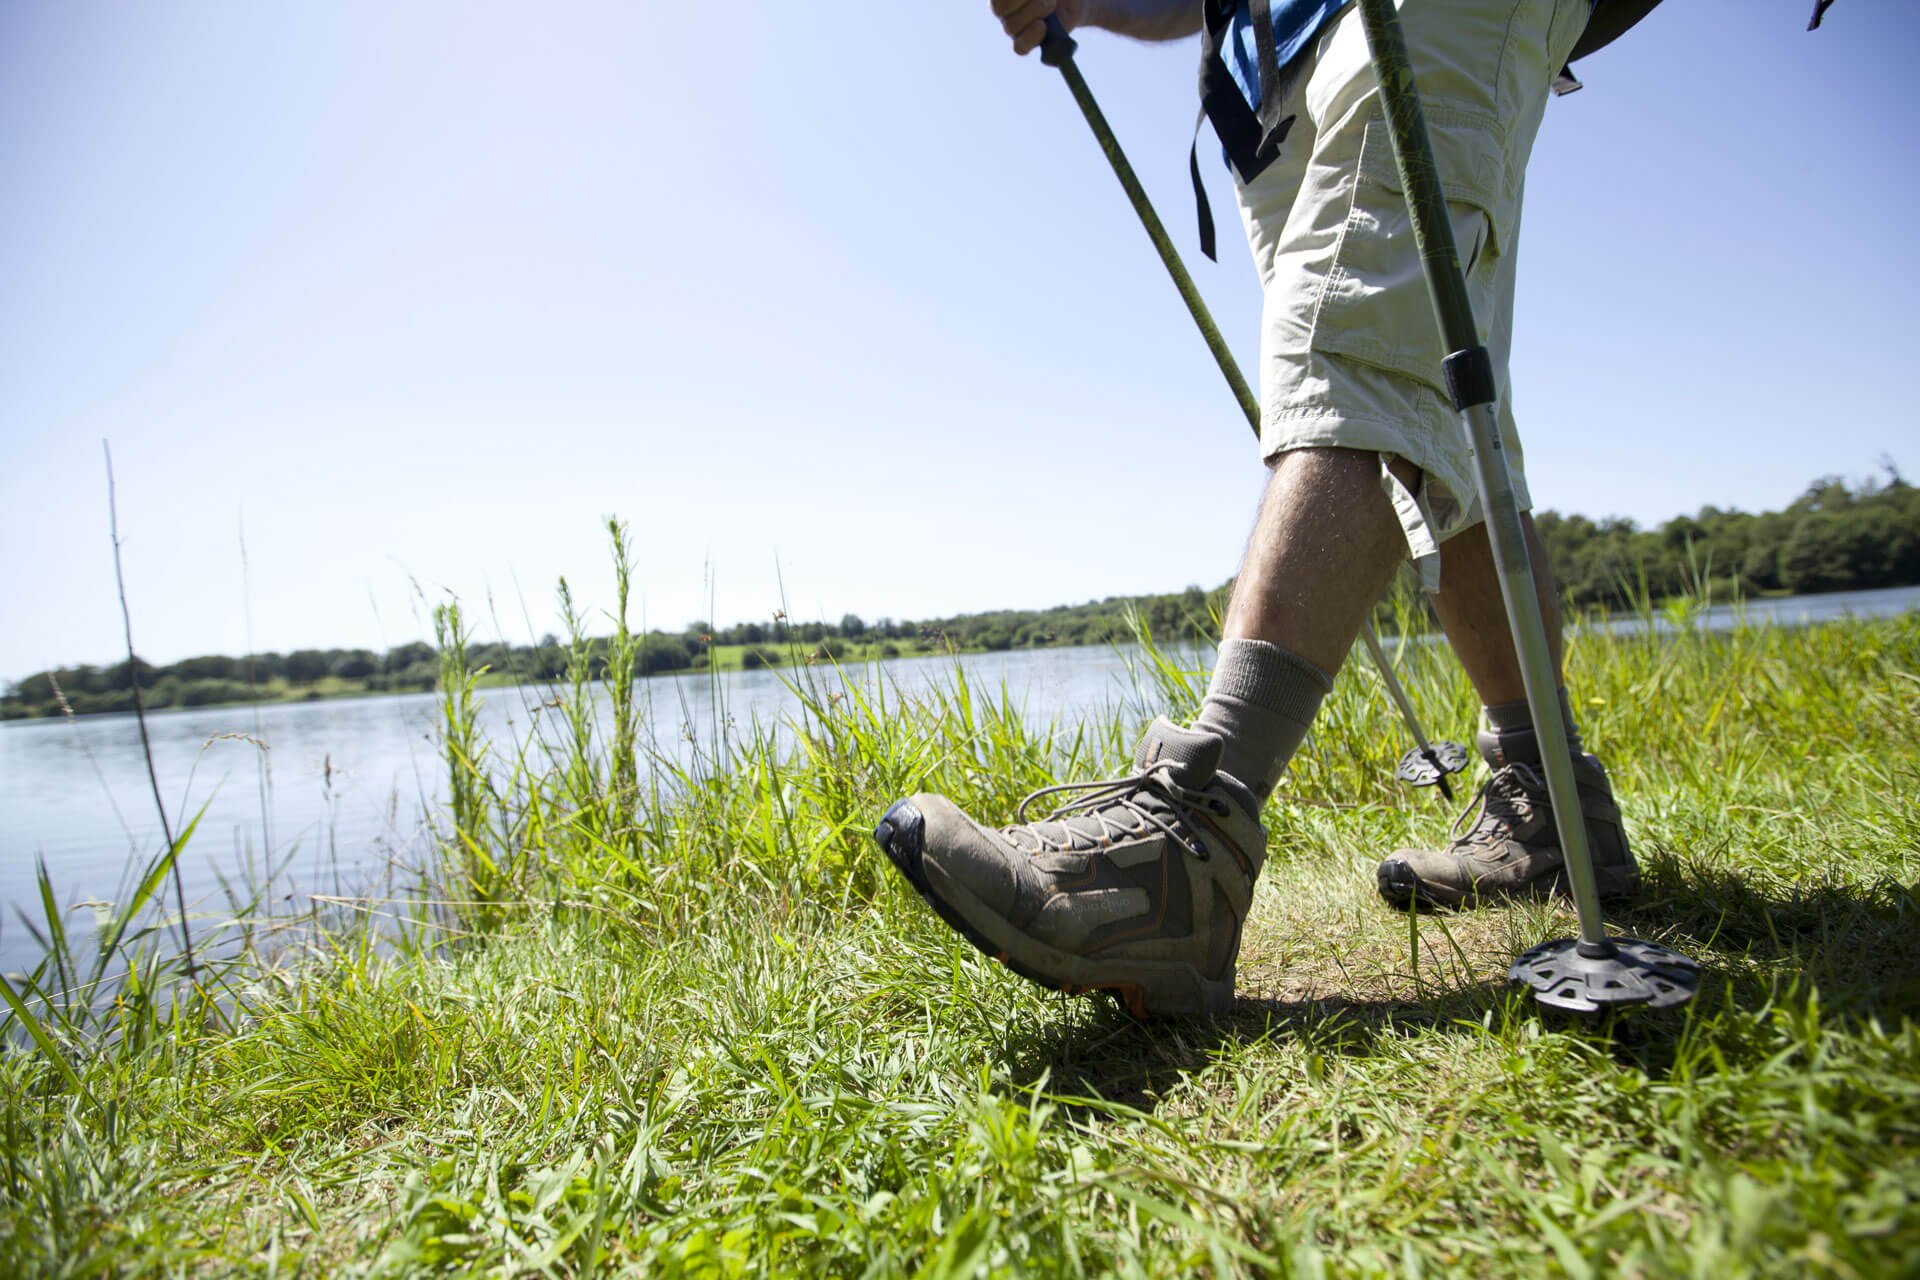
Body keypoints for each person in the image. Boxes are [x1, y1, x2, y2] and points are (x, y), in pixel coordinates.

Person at [872, 0, 1650, 1019]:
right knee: (1426, 400)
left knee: (1364, 352)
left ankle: (1188, 843)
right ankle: (1550, 801)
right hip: (1271, 78)